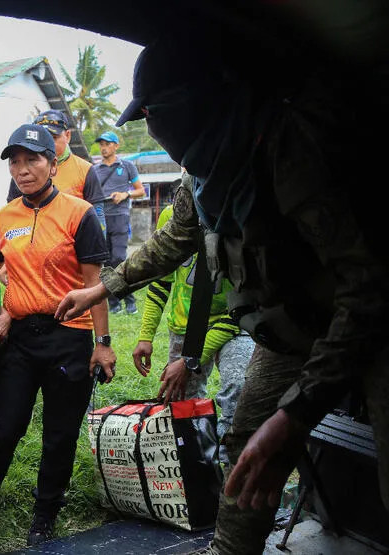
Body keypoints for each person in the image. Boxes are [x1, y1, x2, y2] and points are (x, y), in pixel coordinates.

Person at [56, 30, 389, 555]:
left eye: (155, 114)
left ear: (198, 103)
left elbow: (368, 289)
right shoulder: (203, 176)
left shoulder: (290, 150)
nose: (154, 130)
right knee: (247, 444)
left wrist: (296, 413)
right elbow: (174, 241)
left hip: (369, 328)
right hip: (294, 330)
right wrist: (102, 288)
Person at [0, 124, 114, 547]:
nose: (23, 169)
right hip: (21, 341)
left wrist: (103, 344)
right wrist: (4, 309)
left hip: (69, 335)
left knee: (59, 434)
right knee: (4, 426)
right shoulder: (5, 216)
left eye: (33, 160)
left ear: (52, 163)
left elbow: (95, 283)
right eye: (15, 162)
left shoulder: (78, 213)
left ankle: (44, 515)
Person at [133, 201, 253, 447]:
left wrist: (189, 359)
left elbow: (246, 304)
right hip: (184, 326)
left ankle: (231, 469)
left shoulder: (242, 214)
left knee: (239, 389)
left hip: (234, 322)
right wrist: (146, 336)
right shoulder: (172, 213)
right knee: (181, 402)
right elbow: (161, 280)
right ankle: (196, 465)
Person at [84, 130, 145, 314]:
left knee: (119, 258)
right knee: (107, 262)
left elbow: (140, 190)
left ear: (116, 146)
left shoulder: (126, 166)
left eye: (107, 144)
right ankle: (114, 304)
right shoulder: (94, 169)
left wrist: (125, 194)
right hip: (100, 217)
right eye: (101, 144)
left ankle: (130, 299)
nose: (103, 148)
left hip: (120, 215)